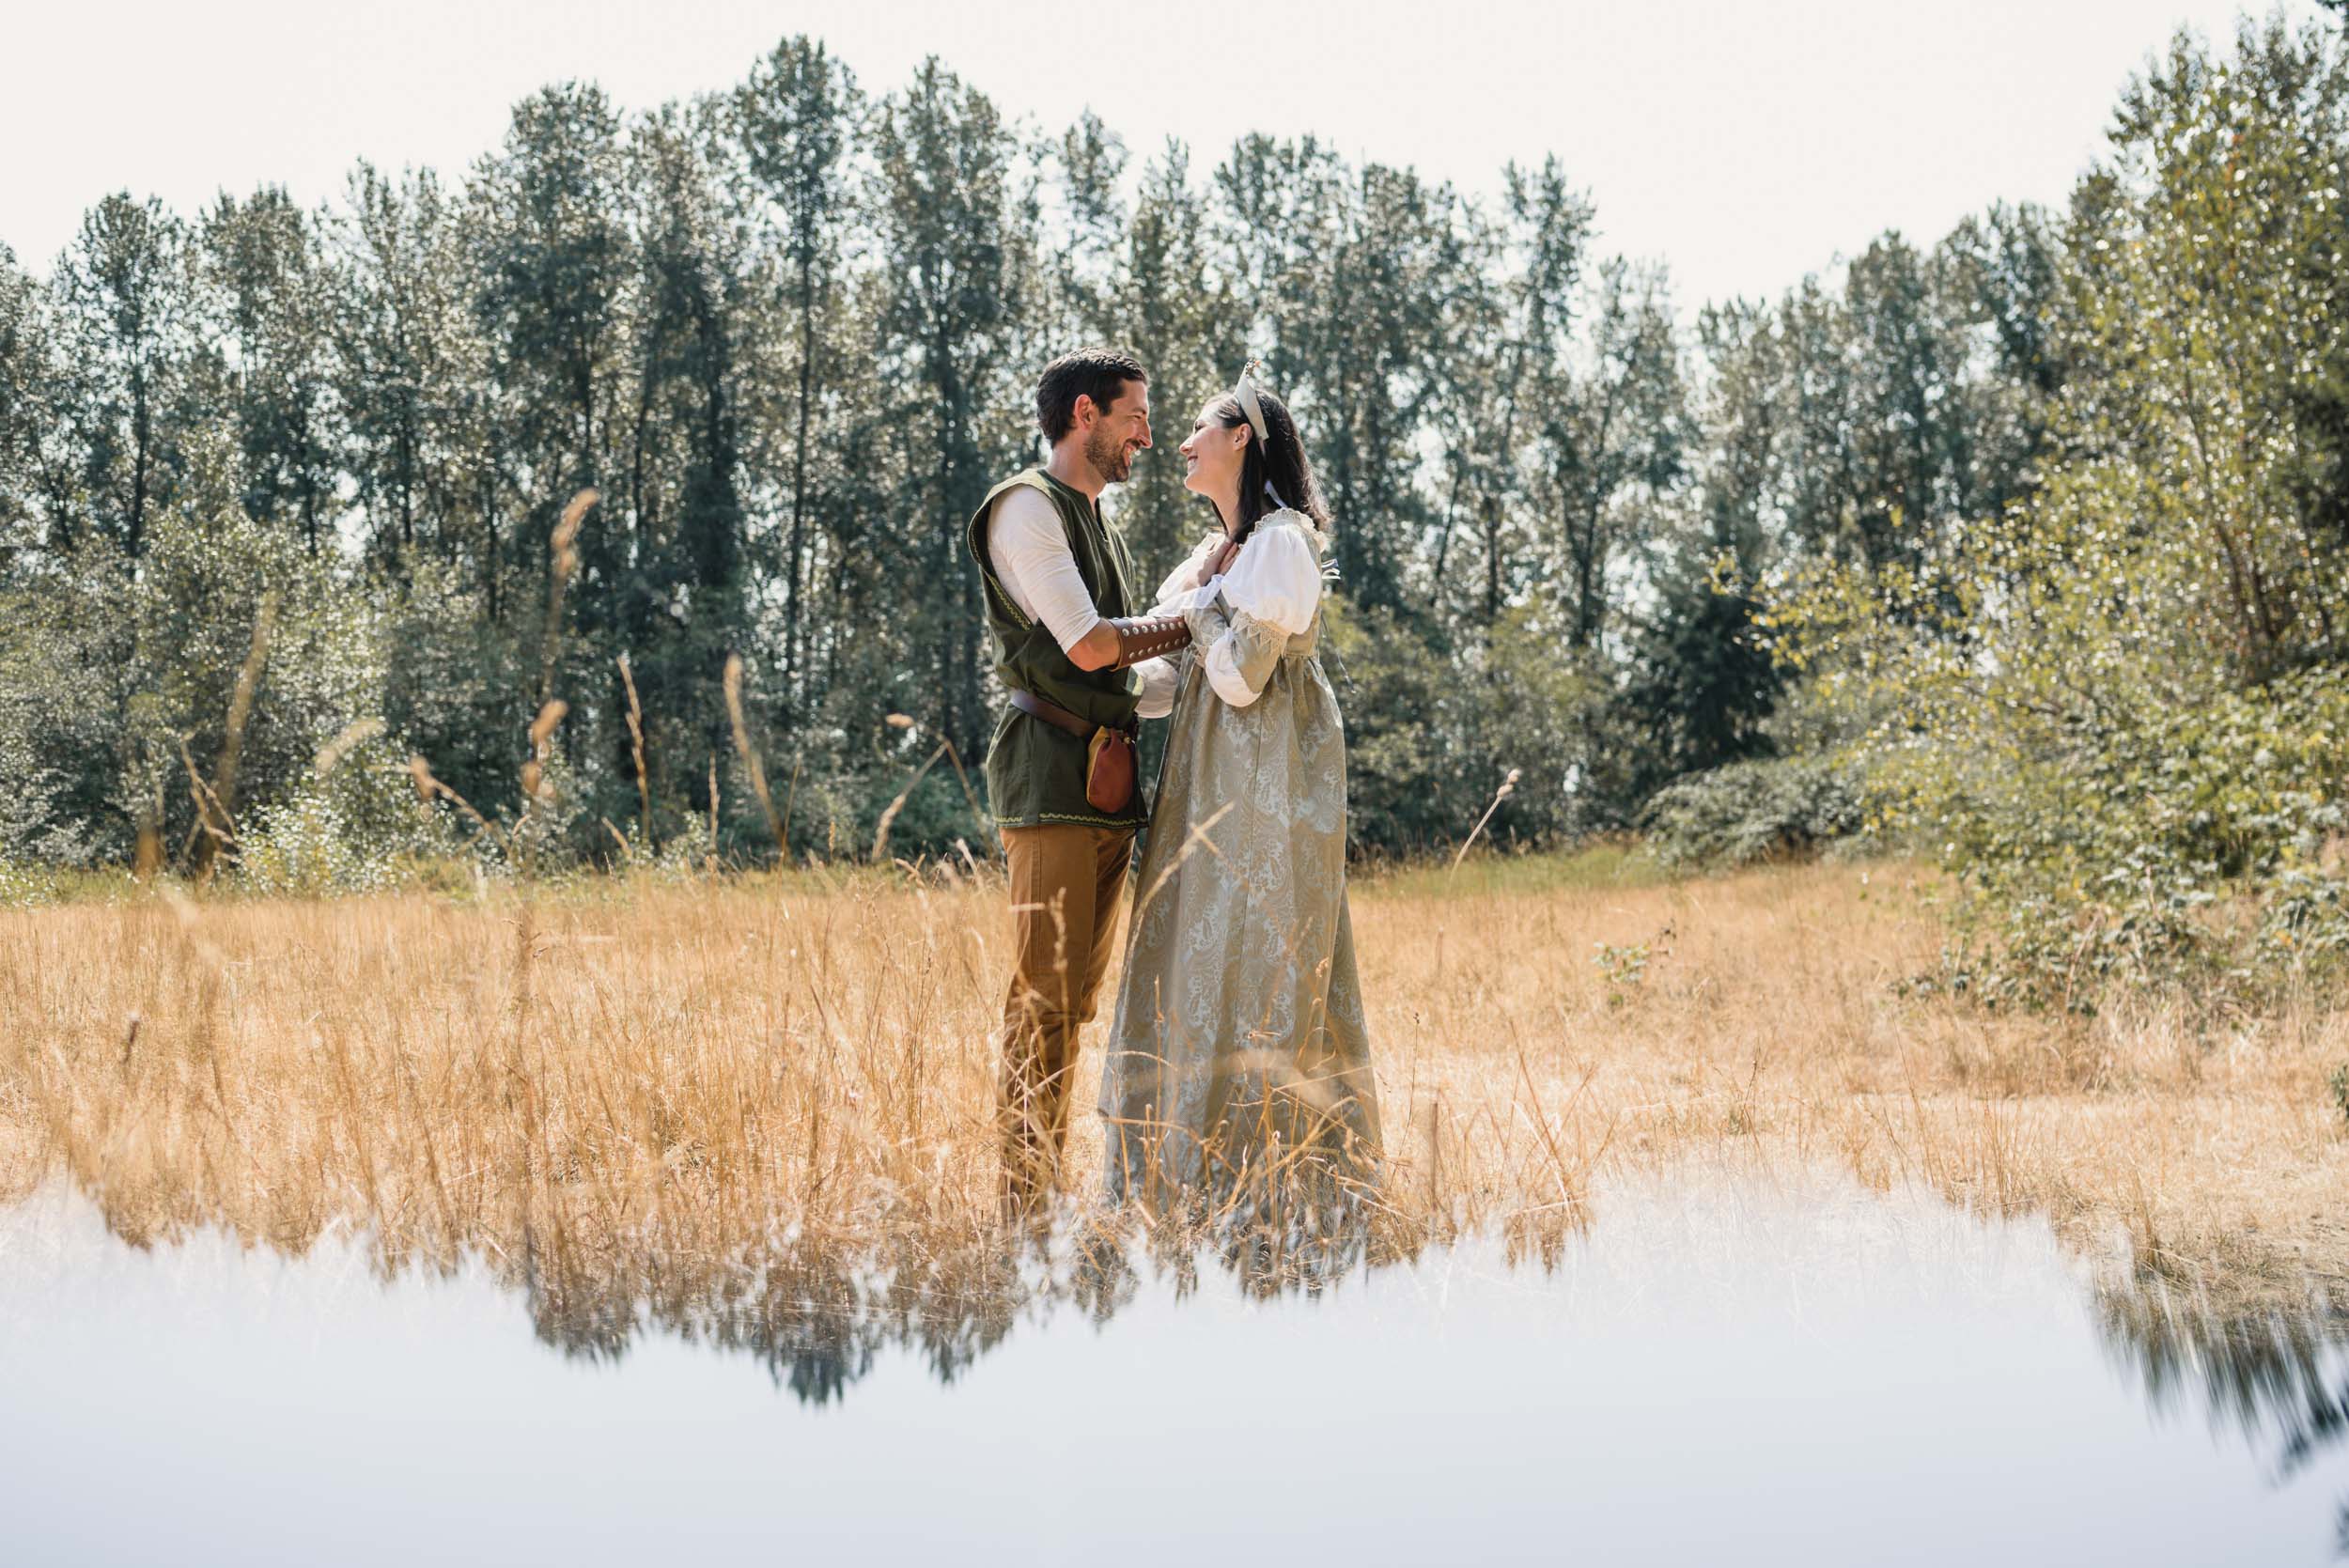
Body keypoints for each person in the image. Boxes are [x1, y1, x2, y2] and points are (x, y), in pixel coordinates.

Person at [1097, 363, 1382, 1218]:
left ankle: (1278, 1190)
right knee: (1192, 955)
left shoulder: (1280, 543)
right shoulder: (1218, 559)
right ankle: (1180, 1183)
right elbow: (1175, 681)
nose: (1181, 444)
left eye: (1198, 429)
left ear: (1243, 440)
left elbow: (1242, 677)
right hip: (1208, 783)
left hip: (1269, 788)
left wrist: (1198, 613)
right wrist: (1085, 693)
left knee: (1262, 960)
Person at [968, 348, 1190, 1217]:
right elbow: (1096, 646)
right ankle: (1022, 1210)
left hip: (1106, 782)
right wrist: (1191, 619)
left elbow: (1133, 679)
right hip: (1050, 778)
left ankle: (1043, 1198)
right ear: (1086, 414)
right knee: (1042, 1004)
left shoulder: (1098, 519)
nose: (1148, 432)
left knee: (1074, 1005)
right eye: (1136, 413)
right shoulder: (1028, 507)